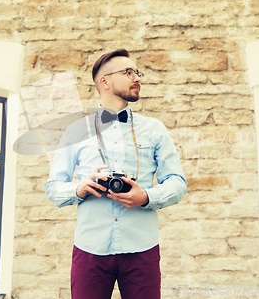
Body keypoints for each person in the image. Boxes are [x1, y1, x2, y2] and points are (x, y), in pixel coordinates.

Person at [45, 49, 187, 299]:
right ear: (105, 81)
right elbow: (53, 187)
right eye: (128, 72)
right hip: (90, 249)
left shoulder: (154, 129)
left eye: (137, 72)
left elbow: (177, 183)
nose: (137, 78)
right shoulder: (76, 129)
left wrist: (146, 197)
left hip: (142, 248)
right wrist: (79, 188)